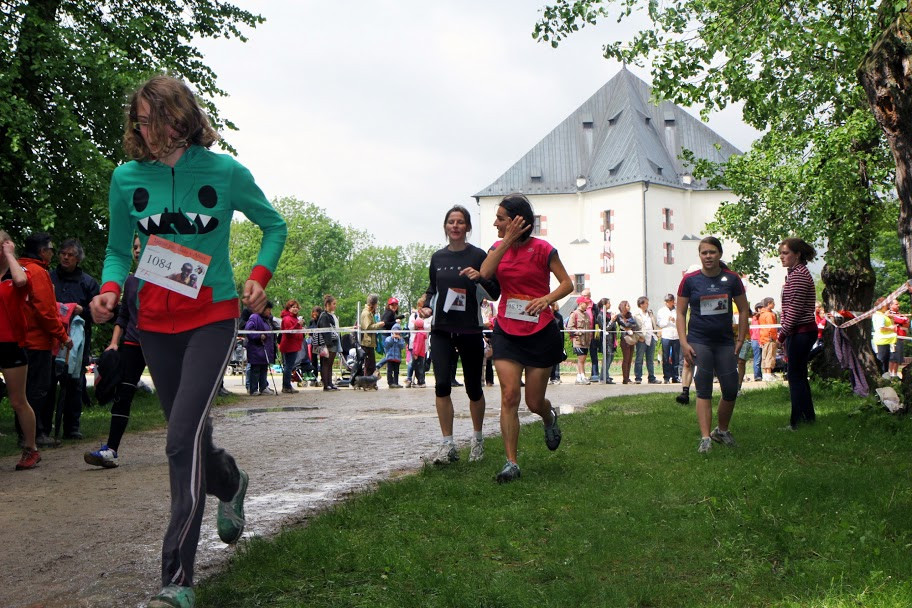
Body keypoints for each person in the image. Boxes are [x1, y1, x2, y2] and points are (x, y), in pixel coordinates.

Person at [90, 75, 286, 608]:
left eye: (156, 117)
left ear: (182, 114)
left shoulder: (224, 172)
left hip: (213, 318)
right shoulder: (126, 177)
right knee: (193, 437)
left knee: (179, 440)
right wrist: (110, 289)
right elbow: (115, 250)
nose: (147, 129)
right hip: (152, 323)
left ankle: (176, 579)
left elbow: (274, 224)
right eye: (141, 120)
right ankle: (230, 481)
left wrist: (259, 276)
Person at [479, 193, 572, 483]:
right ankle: (511, 463)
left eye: (501, 218)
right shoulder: (496, 247)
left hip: (540, 331)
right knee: (509, 395)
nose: (495, 222)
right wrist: (506, 239)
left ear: (518, 221)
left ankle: (548, 417)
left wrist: (546, 299)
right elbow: (485, 273)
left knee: (533, 401)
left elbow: (567, 284)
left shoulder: (544, 249)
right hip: (506, 329)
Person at [422, 205, 501, 465]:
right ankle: (448, 445)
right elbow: (432, 289)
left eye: (460, 222)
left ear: (467, 227)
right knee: (442, 385)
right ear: (445, 227)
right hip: (441, 329)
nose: (455, 226)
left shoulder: (478, 255)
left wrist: (478, 277)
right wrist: (425, 305)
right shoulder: (437, 258)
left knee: (473, 388)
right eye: (450, 222)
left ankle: (477, 442)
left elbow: (495, 292)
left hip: (469, 329)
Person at [676, 237, 749, 454]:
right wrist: (683, 342)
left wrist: (740, 339)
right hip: (699, 341)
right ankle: (705, 437)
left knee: (730, 388)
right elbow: (680, 313)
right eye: (704, 253)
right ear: (700, 256)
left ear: (720, 254)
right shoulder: (690, 281)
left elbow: (744, 309)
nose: (708, 256)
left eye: (712, 252)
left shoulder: (732, 279)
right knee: (704, 389)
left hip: (725, 342)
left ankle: (722, 431)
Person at [85, 236, 146, 468]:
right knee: (123, 394)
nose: (138, 251)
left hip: (160, 343)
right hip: (132, 343)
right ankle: (111, 450)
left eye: (142, 246)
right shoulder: (129, 282)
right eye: (135, 247)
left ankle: (189, 445)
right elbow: (124, 316)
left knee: (175, 396)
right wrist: (113, 343)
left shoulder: (168, 279)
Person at [18, 232, 70, 448]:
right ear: (41, 251)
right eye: (50, 249)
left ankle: (24, 433)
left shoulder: (17, 269)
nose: (53, 253)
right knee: (37, 390)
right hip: (37, 342)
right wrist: (63, 336)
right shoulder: (38, 273)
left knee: (21, 390)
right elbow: (46, 311)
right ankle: (34, 434)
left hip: (18, 340)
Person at [0, 232, 43, 469]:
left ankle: (31, 448)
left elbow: (21, 282)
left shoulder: (18, 271)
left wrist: (9, 254)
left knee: (17, 401)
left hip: (10, 343)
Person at [50, 237, 100, 439]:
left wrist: (82, 311)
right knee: (49, 380)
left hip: (78, 339)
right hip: (51, 336)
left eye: (70, 255)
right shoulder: (50, 277)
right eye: (63, 253)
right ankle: (44, 427)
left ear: (78, 258)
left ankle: (72, 427)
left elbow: (98, 313)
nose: (65, 257)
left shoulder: (88, 282)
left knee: (75, 380)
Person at [777, 237, 819, 430]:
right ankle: (807, 417)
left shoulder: (799, 275)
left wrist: (782, 334)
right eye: (781, 253)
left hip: (801, 332)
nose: (781, 257)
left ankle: (796, 421)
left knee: (795, 377)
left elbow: (794, 309)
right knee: (799, 375)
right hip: (801, 331)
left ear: (797, 254)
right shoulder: (796, 274)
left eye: (785, 253)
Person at [245, 302, 276, 396]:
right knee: (255, 370)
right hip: (256, 349)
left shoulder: (266, 320)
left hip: (265, 349)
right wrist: (259, 336)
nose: (269, 312)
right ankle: (253, 389)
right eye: (268, 310)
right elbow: (248, 330)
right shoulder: (254, 317)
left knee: (263, 368)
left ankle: (263, 387)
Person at [313, 294, 342, 391]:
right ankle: (326, 384)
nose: (335, 306)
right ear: (328, 304)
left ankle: (329, 383)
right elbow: (325, 331)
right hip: (327, 344)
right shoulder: (324, 316)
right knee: (326, 364)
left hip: (333, 343)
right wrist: (328, 344)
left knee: (330, 364)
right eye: (333, 304)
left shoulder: (331, 315)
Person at [609, 300, 638, 384]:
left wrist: (629, 325)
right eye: (627, 305)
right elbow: (625, 325)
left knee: (630, 359)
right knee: (626, 359)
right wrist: (629, 325)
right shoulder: (619, 316)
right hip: (625, 339)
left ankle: (628, 377)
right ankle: (625, 378)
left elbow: (634, 325)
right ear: (623, 306)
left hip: (632, 338)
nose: (629, 307)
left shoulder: (630, 315)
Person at [633, 296, 660, 384]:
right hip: (642, 338)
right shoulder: (636, 314)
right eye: (646, 303)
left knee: (650, 359)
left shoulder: (650, 313)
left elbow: (654, 323)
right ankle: (638, 377)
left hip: (651, 337)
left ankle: (651, 377)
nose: (647, 305)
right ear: (641, 304)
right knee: (639, 358)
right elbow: (635, 327)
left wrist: (656, 333)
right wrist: (639, 336)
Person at [279, 300, 304, 393]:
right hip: (289, 346)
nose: (295, 309)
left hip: (294, 345)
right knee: (288, 366)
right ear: (289, 308)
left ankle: (287, 385)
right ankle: (286, 386)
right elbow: (289, 332)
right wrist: (298, 325)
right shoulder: (287, 319)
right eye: (293, 307)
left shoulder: (295, 318)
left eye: (296, 307)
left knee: (289, 366)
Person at [358, 294, 386, 378]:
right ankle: (368, 381)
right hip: (367, 342)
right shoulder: (366, 313)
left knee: (371, 364)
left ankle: (370, 381)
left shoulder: (370, 312)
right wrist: (378, 325)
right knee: (369, 364)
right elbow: (368, 328)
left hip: (369, 342)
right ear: (374, 304)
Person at [567, 296, 593, 385]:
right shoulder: (574, 314)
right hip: (578, 340)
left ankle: (579, 377)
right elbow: (569, 327)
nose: (587, 305)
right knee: (581, 360)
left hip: (585, 341)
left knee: (583, 359)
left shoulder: (586, 315)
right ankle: (583, 376)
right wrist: (578, 331)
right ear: (580, 303)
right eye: (585, 303)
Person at [656, 294, 681, 383]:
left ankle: (675, 376)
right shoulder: (661, 311)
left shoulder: (678, 310)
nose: (669, 303)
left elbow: (681, 322)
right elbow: (660, 323)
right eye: (667, 301)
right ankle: (666, 377)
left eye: (670, 301)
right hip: (666, 336)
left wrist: (675, 321)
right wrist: (667, 320)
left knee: (676, 357)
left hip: (676, 335)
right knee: (666, 357)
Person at [758, 297, 779, 381]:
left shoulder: (762, 314)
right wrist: (773, 337)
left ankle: (766, 374)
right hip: (770, 338)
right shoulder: (769, 315)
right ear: (768, 304)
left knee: (765, 356)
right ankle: (769, 374)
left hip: (763, 337)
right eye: (773, 303)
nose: (774, 304)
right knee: (770, 356)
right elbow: (771, 327)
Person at [888, 300, 908, 378]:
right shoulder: (888, 313)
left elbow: (906, 320)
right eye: (896, 304)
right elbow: (900, 320)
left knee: (897, 358)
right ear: (891, 305)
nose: (898, 305)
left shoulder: (900, 314)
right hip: (893, 338)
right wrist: (902, 320)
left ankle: (895, 375)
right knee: (892, 357)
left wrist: (903, 320)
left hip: (900, 338)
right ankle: (890, 375)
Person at [599, 298, 616, 384]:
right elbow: (605, 328)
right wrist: (612, 321)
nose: (610, 305)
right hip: (605, 341)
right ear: (604, 305)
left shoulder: (608, 314)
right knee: (607, 359)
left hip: (611, 340)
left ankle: (605, 375)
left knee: (610, 358)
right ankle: (604, 377)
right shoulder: (601, 315)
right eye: (609, 303)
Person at [383, 324, 405, 388]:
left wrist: (399, 339)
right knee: (389, 371)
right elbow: (386, 345)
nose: (396, 333)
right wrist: (392, 338)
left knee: (396, 371)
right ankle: (390, 382)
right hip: (390, 357)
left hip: (397, 358)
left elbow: (402, 346)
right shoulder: (388, 338)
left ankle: (396, 382)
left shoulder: (401, 339)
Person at [549, 302, 565, 384]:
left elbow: (562, 330)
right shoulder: (544, 314)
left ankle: (554, 377)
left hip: (556, 339)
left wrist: (562, 344)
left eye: (553, 305)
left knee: (555, 360)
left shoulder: (559, 316)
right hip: (546, 340)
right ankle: (548, 377)